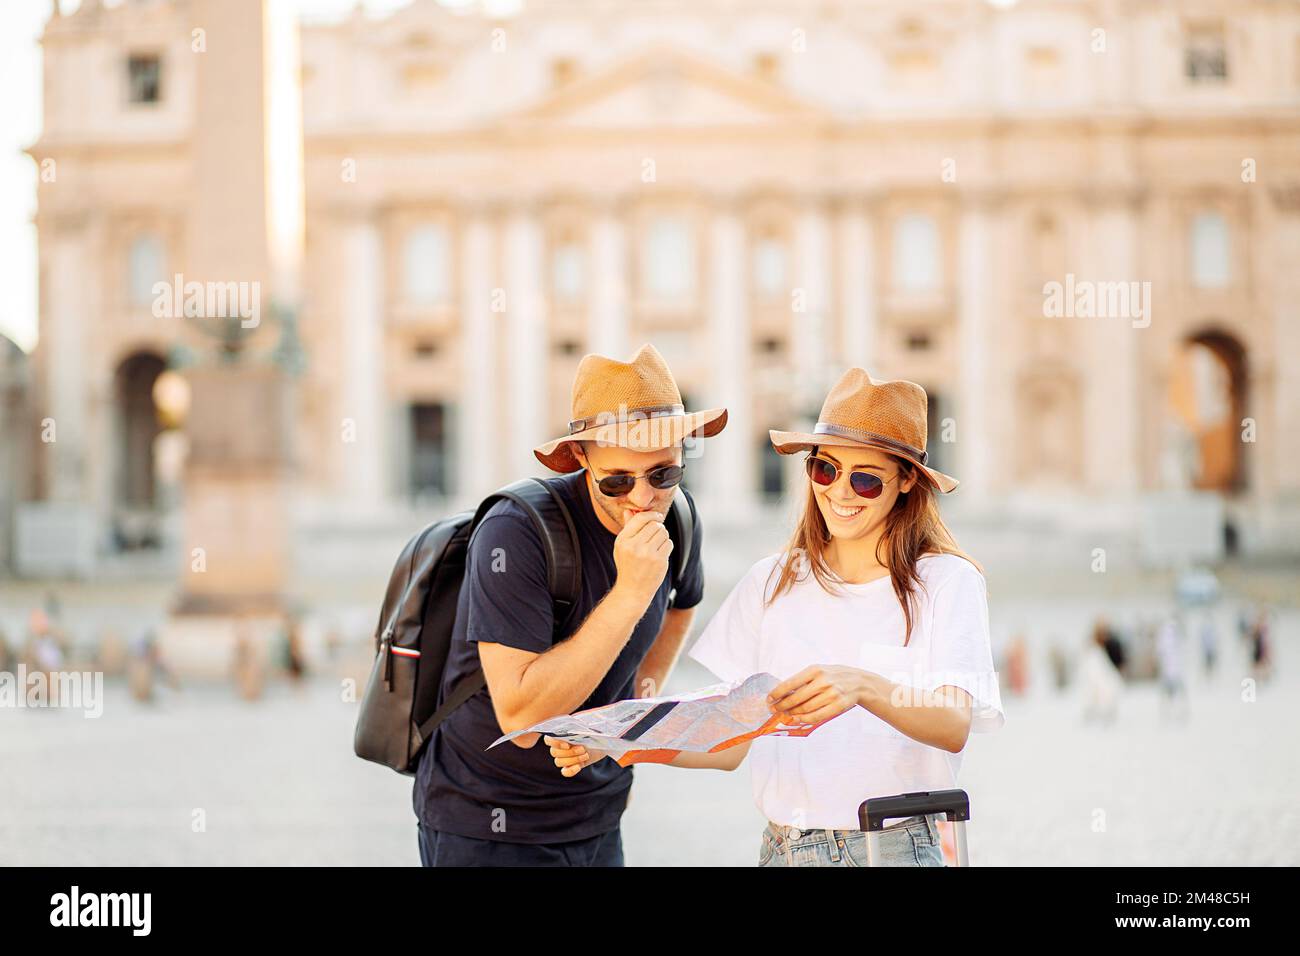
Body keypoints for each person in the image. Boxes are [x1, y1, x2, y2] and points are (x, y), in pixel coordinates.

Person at [549, 369, 1005, 866]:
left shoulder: (947, 581)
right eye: (825, 470)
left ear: (907, 482)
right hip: (781, 849)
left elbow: (954, 722)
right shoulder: (772, 581)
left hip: (890, 846)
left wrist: (863, 687)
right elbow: (728, 745)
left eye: (866, 479)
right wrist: (618, 743)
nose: (841, 492)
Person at [413, 343, 725, 866]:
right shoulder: (516, 531)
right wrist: (629, 593)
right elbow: (521, 711)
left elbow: (681, 607)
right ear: (582, 458)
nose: (643, 498)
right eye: (618, 480)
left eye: (663, 474)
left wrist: (626, 723)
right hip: (487, 822)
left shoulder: (679, 519)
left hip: (598, 817)